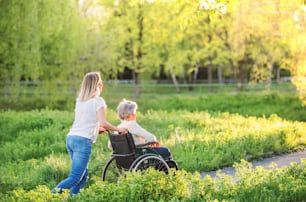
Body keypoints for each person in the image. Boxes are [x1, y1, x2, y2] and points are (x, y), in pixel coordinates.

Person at [52, 72, 127, 197]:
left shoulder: (80, 101)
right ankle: (48, 197)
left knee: (83, 177)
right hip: (82, 142)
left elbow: (85, 122)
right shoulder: (98, 101)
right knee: (75, 178)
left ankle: (72, 199)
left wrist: (97, 130)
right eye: (100, 82)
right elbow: (103, 122)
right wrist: (118, 129)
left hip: (71, 139)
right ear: (98, 85)